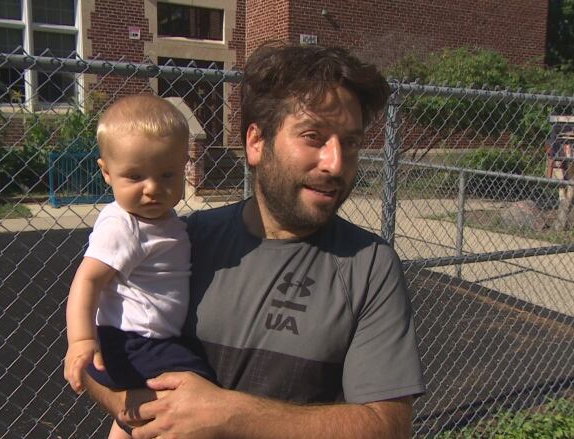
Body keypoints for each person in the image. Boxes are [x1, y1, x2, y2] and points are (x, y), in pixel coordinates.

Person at [84, 43, 426, 439]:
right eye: (314, 136)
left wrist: (231, 416)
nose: (336, 163)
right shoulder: (184, 241)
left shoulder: (368, 265)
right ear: (256, 142)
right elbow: (90, 355)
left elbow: (387, 426)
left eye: (349, 142)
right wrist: (145, 411)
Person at [64, 95, 214, 439]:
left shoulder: (163, 221)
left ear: (185, 167)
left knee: (137, 412)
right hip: (133, 343)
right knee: (199, 391)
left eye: (167, 175)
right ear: (106, 172)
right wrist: (82, 340)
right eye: (134, 176)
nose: (152, 189)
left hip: (145, 341)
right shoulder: (124, 225)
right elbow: (87, 281)